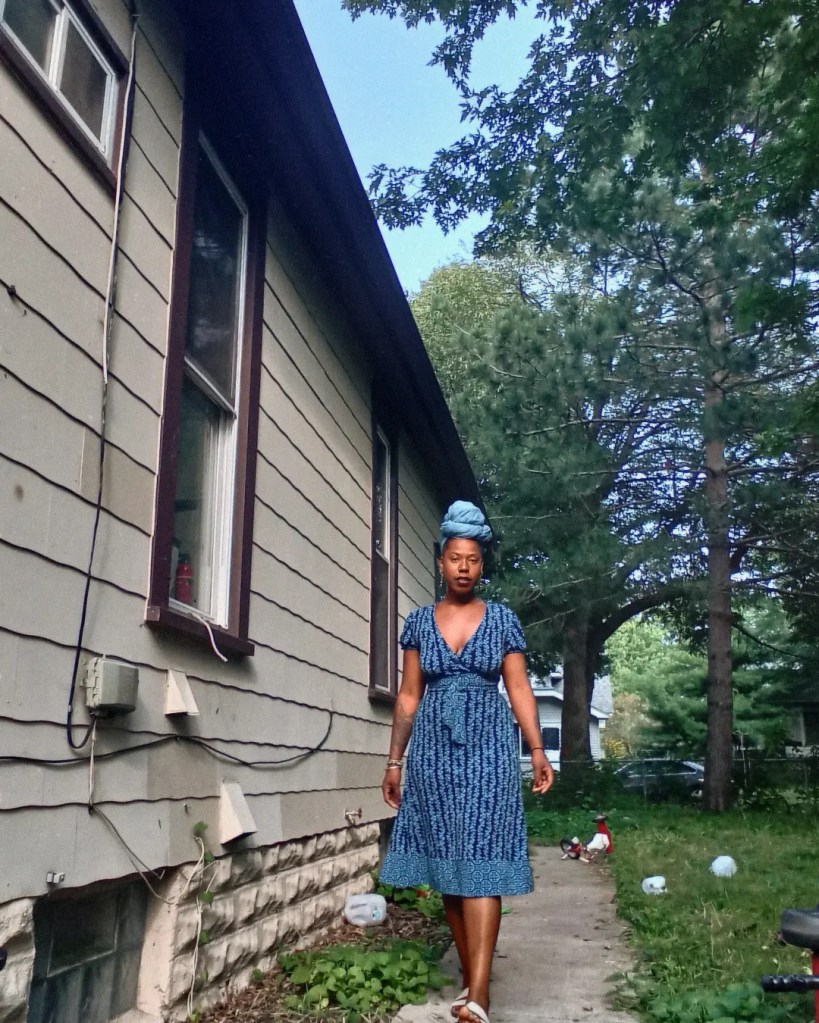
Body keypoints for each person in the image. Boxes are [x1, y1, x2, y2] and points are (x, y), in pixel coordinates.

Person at [379, 500, 554, 1023]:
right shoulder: (417, 622)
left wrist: (537, 749)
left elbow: (519, 686)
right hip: (432, 749)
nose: (463, 567)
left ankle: (480, 991)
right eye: (455, 558)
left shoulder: (501, 620)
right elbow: (408, 697)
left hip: (488, 746)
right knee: (448, 868)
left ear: (482, 565)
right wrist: (394, 761)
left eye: (473, 560)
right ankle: (470, 976)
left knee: (481, 860)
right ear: (440, 562)